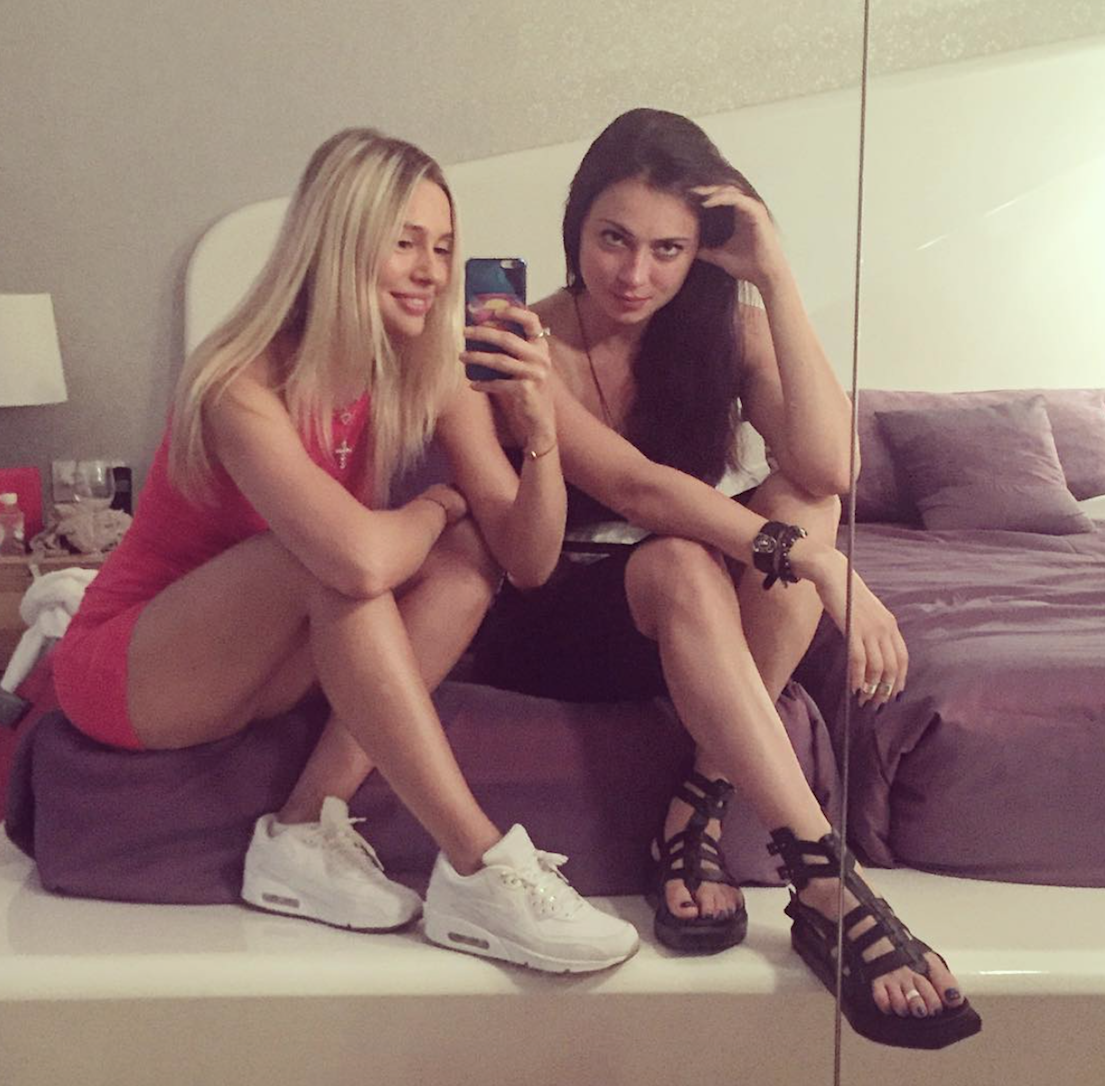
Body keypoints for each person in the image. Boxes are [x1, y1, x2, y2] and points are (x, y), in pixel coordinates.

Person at [50, 127, 639, 975]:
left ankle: (300, 832)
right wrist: (433, 504)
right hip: (136, 670)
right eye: (404, 243)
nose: (431, 271)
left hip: (263, 664)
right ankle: (479, 863)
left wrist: (539, 431)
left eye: (443, 247)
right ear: (339, 242)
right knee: (327, 560)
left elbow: (528, 559)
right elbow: (358, 561)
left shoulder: (423, 368)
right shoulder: (238, 381)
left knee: (466, 558)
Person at [472, 108, 980, 1049]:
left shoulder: (721, 329)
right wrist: (815, 562)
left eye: (667, 249)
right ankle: (822, 874)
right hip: (559, 608)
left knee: (803, 503)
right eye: (613, 239)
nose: (635, 274)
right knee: (700, 555)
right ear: (575, 228)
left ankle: (697, 802)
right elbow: (634, 486)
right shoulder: (526, 340)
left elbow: (830, 468)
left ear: (701, 250)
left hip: (696, 611)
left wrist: (775, 277)